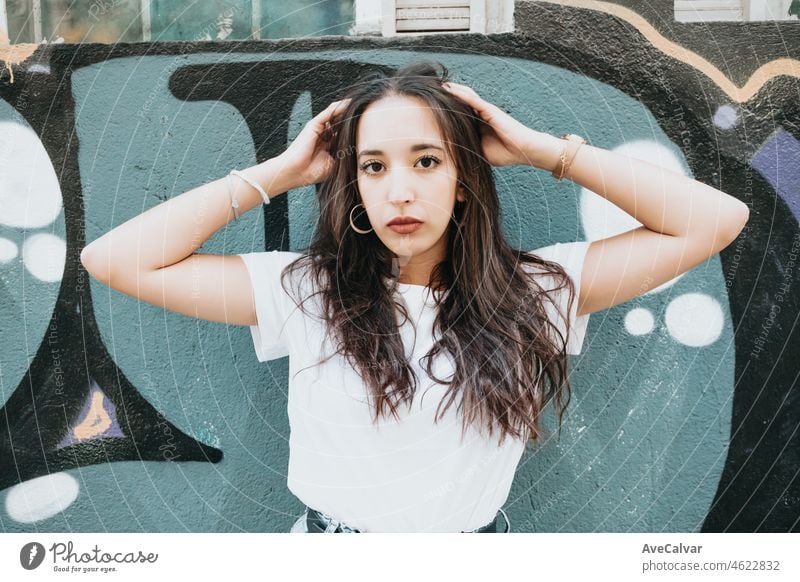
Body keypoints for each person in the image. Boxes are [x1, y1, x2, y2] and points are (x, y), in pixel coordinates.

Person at [80, 61, 749, 533]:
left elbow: (715, 220)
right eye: (374, 166)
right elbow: (113, 259)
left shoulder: (537, 293)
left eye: (427, 161)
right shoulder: (307, 293)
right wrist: (277, 173)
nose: (400, 189)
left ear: (463, 180)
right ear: (356, 186)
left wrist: (546, 151)